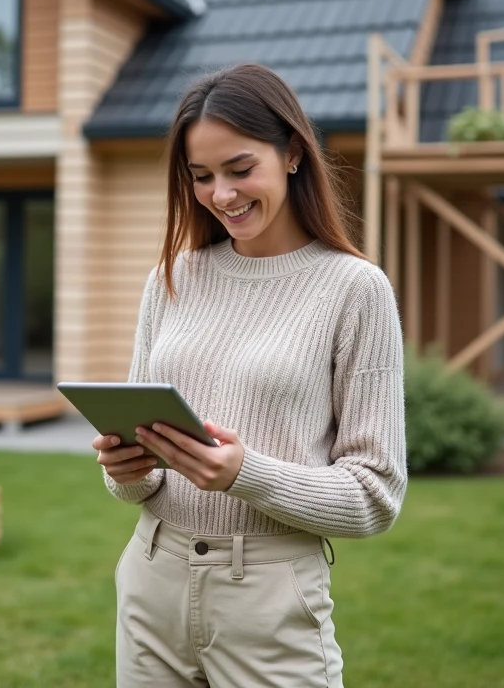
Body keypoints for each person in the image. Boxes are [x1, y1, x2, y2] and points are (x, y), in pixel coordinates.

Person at [91, 63, 407, 688]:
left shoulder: (355, 289)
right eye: (202, 176)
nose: (222, 194)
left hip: (269, 595)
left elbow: (376, 496)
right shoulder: (172, 278)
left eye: (240, 169)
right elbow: (137, 482)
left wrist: (245, 474)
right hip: (152, 581)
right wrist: (127, 471)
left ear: (292, 153)